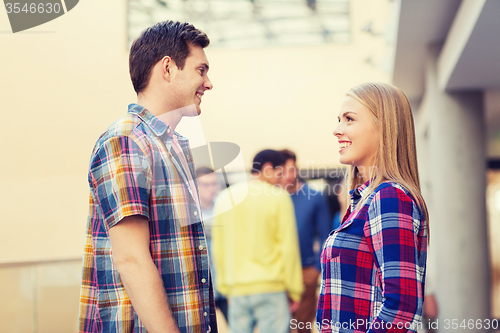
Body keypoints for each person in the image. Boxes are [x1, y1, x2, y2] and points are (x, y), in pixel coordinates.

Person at [79, 21, 217, 333]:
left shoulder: (174, 148)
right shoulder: (127, 139)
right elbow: (131, 259)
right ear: (168, 68)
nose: (208, 83)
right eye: (201, 70)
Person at [317, 82, 429, 333]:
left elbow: (402, 307)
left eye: (349, 119)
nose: (337, 130)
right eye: (338, 120)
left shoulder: (389, 197)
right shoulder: (363, 201)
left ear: (384, 127)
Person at [212, 149, 304, 333]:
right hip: (271, 289)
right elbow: (288, 248)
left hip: (236, 290)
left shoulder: (224, 198)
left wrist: (225, 287)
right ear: (268, 169)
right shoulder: (279, 198)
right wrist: (295, 290)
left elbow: (218, 249)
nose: (281, 179)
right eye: (280, 173)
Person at [279, 149, 331, 333]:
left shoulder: (314, 197)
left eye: (291, 169)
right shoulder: (273, 198)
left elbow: (325, 234)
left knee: (302, 325)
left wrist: (316, 267)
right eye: (283, 171)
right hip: (278, 273)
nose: (288, 175)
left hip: (305, 270)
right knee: (280, 326)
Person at [195, 167, 229, 322]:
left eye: (214, 184)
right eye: (206, 184)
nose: (211, 188)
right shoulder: (190, 212)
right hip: (202, 287)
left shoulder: (225, 208)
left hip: (225, 283)